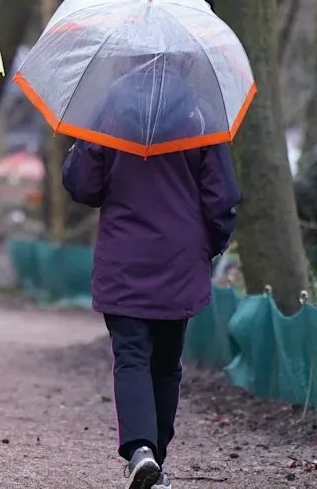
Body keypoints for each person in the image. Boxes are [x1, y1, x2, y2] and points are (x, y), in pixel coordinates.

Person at [62, 57, 241, 489]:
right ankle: (155, 458)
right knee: (166, 364)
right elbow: (221, 198)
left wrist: (79, 151)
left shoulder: (110, 108)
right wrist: (212, 245)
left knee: (131, 356)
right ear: (183, 61)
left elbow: (84, 185)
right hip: (179, 259)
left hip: (123, 257)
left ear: (129, 59)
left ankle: (141, 453)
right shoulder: (201, 115)